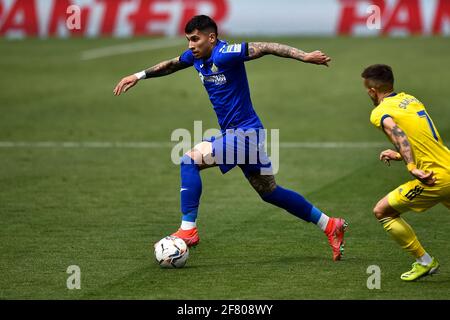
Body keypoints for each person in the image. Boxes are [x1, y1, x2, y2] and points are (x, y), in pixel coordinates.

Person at [114, 15, 347, 261]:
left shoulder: (225, 54)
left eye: (195, 39)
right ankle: (330, 224)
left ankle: (188, 230)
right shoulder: (194, 58)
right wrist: (138, 76)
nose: (191, 45)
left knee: (188, 160)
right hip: (243, 134)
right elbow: (171, 64)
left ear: (211, 38)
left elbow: (266, 47)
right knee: (270, 192)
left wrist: (304, 56)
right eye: (188, 40)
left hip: (244, 134)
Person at [362, 64, 450, 280]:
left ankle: (425, 261)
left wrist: (411, 166)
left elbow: (397, 131)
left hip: (435, 178)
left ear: (373, 91)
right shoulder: (410, 99)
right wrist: (400, 154)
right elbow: (422, 138)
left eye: (366, 89)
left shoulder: (380, 112)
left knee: (383, 212)